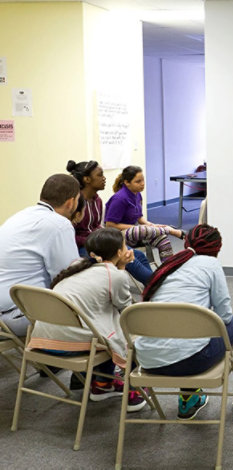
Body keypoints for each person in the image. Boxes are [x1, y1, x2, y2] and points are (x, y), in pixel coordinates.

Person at [133, 224, 233, 420]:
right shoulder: (211, 265)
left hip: (148, 361)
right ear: (217, 249)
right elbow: (225, 317)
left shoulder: (168, 266)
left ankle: (189, 399)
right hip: (192, 362)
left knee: (185, 333)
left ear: (186, 243)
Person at [28, 228, 146, 411]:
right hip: (71, 346)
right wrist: (122, 268)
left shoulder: (77, 265)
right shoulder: (114, 275)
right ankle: (135, 391)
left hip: (41, 342)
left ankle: (103, 385)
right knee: (127, 334)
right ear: (119, 252)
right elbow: (128, 312)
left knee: (104, 323)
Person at [0, 174, 80, 336]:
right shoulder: (59, 224)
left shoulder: (20, 216)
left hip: (7, 312)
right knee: (97, 314)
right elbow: (68, 279)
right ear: (71, 203)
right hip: (17, 315)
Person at [67, 160, 153, 284]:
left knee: (138, 255)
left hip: (100, 242)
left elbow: (97, 226)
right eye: (100, 175)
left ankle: (153, 286)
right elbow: (71, 234)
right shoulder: (76, 203)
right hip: (83, 246)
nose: (104, 178)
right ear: (87, 179)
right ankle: (155, 284)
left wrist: (105, 239)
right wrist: (95, 240)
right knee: (127, 258)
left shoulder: (97, 200)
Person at [104, 165, 184, 262]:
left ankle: (168, 268)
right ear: (126, 182)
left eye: (143, 180)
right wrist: (135, 228)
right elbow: (110, 225)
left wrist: (153, 225)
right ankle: (171, 230)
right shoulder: (119, 199)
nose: (142, 184)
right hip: (117, 236)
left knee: (162, 238)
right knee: (141, 230)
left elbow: (140, 219)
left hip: (134, 234)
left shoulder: (137, 194)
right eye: (138, 181)